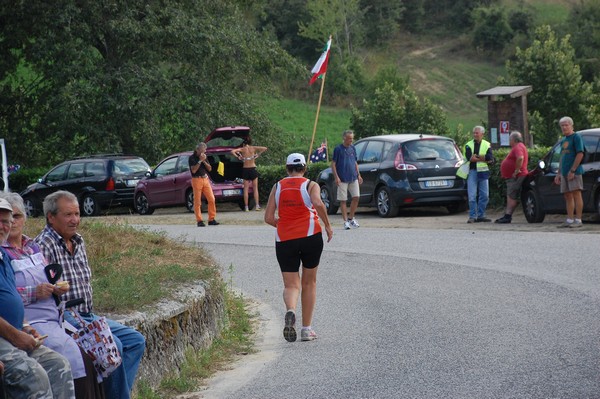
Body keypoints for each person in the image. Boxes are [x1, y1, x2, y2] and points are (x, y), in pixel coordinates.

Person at [34, 191, 145, 399]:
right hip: (65, 315)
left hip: (87, 313)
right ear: (51, 217)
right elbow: (41, 288)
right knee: (114, 347)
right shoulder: (43, 245)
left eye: (77, 213)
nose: (75, 220)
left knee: (135, 341)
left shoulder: (78, 240)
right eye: (68, 215)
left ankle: (114, 394)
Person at [0, 192, 105, 398]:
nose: (7, 226)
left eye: (10, 220)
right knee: (61, 362)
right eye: (68, 214)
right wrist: (34, 299)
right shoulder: (12, 251)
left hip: (50, 317)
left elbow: (11, 294)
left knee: (69, 360)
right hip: (33, 321)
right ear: (51, 217)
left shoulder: (24, 249)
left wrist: (25, 327)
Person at [264, 153, 333, 342]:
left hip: (285, 239)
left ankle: (291, 311)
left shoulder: (277, 186)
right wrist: (327, 225)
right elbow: (318, 203)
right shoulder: (311, 184)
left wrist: (285, 225)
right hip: (311, 236)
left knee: (291, 285)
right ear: (304, 168)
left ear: (287, 168)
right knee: (309, 283)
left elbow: (268, 218)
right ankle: (306, 329)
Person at [553, 116, 585, 228]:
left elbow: (580, 153)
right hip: (564, 172)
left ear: (571, 125)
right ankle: (570, 219)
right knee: (567, 195)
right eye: (562, 125)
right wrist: (558, 173)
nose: (564, 127)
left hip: (574, 172)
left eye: (566, 125)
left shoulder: (576, 137)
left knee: (576, 193)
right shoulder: (563, 140)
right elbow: (562, 156)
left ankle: (578, 220)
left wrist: (573, 170)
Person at [495, 131, 529, 224]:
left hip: (516, 177)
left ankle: (508, 216)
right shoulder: (519, 146)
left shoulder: (518, 147)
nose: (509, 141)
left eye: (510, 139)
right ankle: (507, 215)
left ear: (513, 139)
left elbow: (520, 158)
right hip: (513, 176)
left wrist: (517, 170)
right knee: (510, 195)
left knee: (511, 195)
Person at [331, 129, 362, 230]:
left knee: (356, 197)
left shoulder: (353, 148)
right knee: (343, 200)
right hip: (342, 178)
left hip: (353, 177)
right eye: (349, 139)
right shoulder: (338, 149)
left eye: (352, 139)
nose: (351, 141)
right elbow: (333, 164)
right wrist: (336, 177)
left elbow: (355, 162)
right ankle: (345, 222)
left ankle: (351, 218)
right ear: (344, 138)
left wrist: (359, 175)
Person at [464, 125, 494, 223]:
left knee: (485, 195)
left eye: (477, 133)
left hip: (483, 172)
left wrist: (478, 157)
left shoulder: (487, 144)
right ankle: (472, 216)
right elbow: (470, 158)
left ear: (482, 134)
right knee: (472, 195)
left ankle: (481, 215)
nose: (475, 135)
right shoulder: (468, 144)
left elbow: (490, 157)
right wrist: (484, 158)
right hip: (472, 171)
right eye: (474, 133)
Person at [231, 138, 268, 211]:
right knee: (255, 188)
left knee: (246, 189)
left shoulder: (242, 149)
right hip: (253, 168)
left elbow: (232, 151)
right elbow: (265, 148)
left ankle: (246, 207)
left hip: (245, 169)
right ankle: (257, 205)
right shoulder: (253, 148)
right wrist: (258, 154)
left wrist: (239, 157)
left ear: (243, 143)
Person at [189, 143, 219, 227]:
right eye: (202, 150)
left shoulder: (204, 156)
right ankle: (199, 220)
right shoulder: (192, 158)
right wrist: (199, 161)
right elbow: (194, 170)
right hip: (196, 179)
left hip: (205, 179)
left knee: (211, 199)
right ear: (197, 150)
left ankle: (211, 219)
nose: (204, 152)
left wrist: (204, 161)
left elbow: (209, 169)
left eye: (204, 150)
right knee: (197, 201)